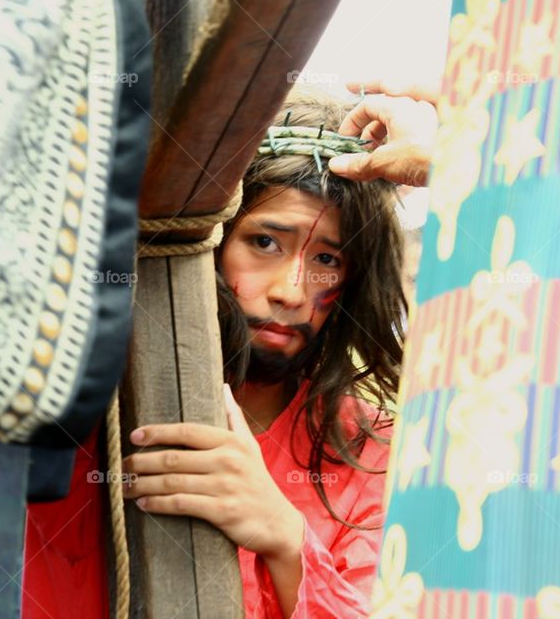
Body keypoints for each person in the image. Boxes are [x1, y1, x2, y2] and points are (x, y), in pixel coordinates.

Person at [123, 89, 408, 617]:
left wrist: (284, 537)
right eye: (264, 243)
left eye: (327, 257)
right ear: (211, 238)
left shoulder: (379, 455)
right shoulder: (98, 416)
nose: (292, 291)